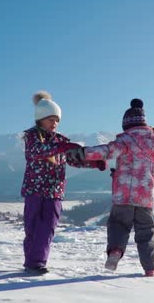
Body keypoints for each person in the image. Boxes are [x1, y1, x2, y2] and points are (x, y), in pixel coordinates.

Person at [21, 91, 106, 275]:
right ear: (40, 119)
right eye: (50, 119)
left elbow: (73, 159)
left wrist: (93, 162)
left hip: (54, 191)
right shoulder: (32, 137)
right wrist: (64, 146)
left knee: (48, 227)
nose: (54, 123)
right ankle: (31, 261)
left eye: (57, 120)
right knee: (33, 227)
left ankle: (37, 262)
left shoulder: (61, 140)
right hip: (34, 190)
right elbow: (37, 152)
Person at [82, 98, 154, 277]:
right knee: (146, 233)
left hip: (124, 196)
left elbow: (105, 151)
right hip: (146, 198)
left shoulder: (126, 140)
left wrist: (83, 152)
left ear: (126, 125)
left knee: (118, 225)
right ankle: (151, 269)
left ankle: (115, 251)